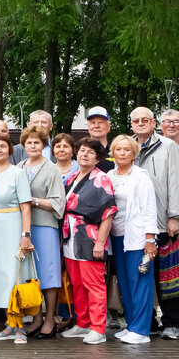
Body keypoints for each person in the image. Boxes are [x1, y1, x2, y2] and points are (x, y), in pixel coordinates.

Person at [131, 105, 179, 339]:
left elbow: (175, 181)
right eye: (136, 120)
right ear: (131, 124)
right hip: (134, 223)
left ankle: (173, 322)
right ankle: (148, 321)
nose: (141, 123)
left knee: (166, 273)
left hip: (161, 221)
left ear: (154, 123)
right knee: (141, 273)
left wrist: (174, 215)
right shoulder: (126, 145)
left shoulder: (169, 146)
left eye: (146, 120)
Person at [61, 138, 117, 344]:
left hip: (91, 236)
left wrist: (101, 242)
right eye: (82, 150)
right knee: (77, 283)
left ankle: (98, 328)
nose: (84, 154)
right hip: (71, 236)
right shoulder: (72, 177)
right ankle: (83, 323)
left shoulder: (101, 178)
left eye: (90, 152)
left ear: (98, 158)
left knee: (94, 284)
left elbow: (108, 212)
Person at [0, 131, 34, 344]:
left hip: (13, 225)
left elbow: (26, 206)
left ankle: (20, 327)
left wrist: (25, 235)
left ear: (9, 149)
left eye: (3, 146)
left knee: (15, 276)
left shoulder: (17, 173)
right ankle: (7, 324)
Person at [106, 135, 158, 345]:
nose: (122, 153)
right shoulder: (109, 175)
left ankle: (142, 330)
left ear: (134, 153)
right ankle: (131, 324)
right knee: (125, 283)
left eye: (127, 150)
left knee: (140, 282)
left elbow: (149, 208)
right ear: (113, 152)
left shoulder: (140, 176)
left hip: (137, 237)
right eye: (118, 149)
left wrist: (150, 239)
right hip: (116, 236)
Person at [19, 125, 66, 339]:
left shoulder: (52, 168)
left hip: (45, 227)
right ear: (24, 145)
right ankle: (36, 317)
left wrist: (33, 201)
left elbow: (58, 202)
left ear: (44, 145)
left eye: (37, 142)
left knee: (48, 274)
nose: (32, 146)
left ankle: (49, 320)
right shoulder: (19, 167)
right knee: (31, 275)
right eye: (29, 142)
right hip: (24, 228)